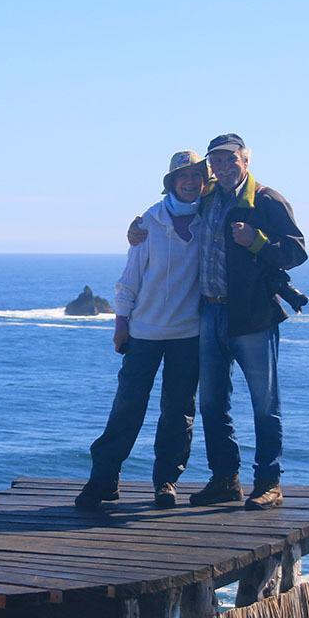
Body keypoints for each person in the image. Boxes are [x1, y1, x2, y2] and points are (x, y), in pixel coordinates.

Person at [127, 133, 306, 509]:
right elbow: (170, 213)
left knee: (264, 402)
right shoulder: (208, 199)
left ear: (246, 161)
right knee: (212, 403)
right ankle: (225, 478)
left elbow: (296, 251)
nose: (224, 167)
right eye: (218, 162)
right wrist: (137, 227)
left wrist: (255, 241)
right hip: (209, 311)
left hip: (253, 315)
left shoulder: (266, 200)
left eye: (231, 160)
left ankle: (269, 483)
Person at [75, 151, 207, 510]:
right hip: (144, 333)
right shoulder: (149, 222)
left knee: (178, 412)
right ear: (171, 181)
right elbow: (129, 278)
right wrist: (121, 323)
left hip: (188, 334)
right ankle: (104, 479)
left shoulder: (210, 220)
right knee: (127, 407)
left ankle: (165, 482)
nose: (190, 181)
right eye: (184, 175)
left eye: (196, 175)